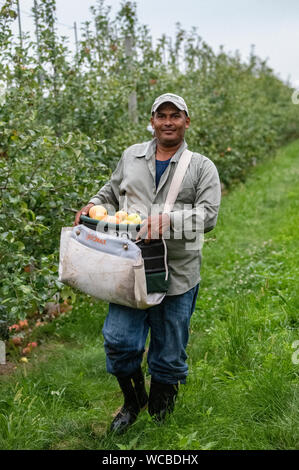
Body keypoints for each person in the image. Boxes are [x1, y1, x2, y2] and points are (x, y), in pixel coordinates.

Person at [74, 93, 221, 433]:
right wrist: (93, 203)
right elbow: (111, 191)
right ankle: (133, 401)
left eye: (175, 115)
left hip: (176, 272)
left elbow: (209, 216)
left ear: (187, 121)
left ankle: (161, 420)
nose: (168, 121)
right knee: (120, 341)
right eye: (162, 115)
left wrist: (169, 220)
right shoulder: (131, 157)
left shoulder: (201, 166)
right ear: (152, 121)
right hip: (128, 267)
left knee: (169, 355)